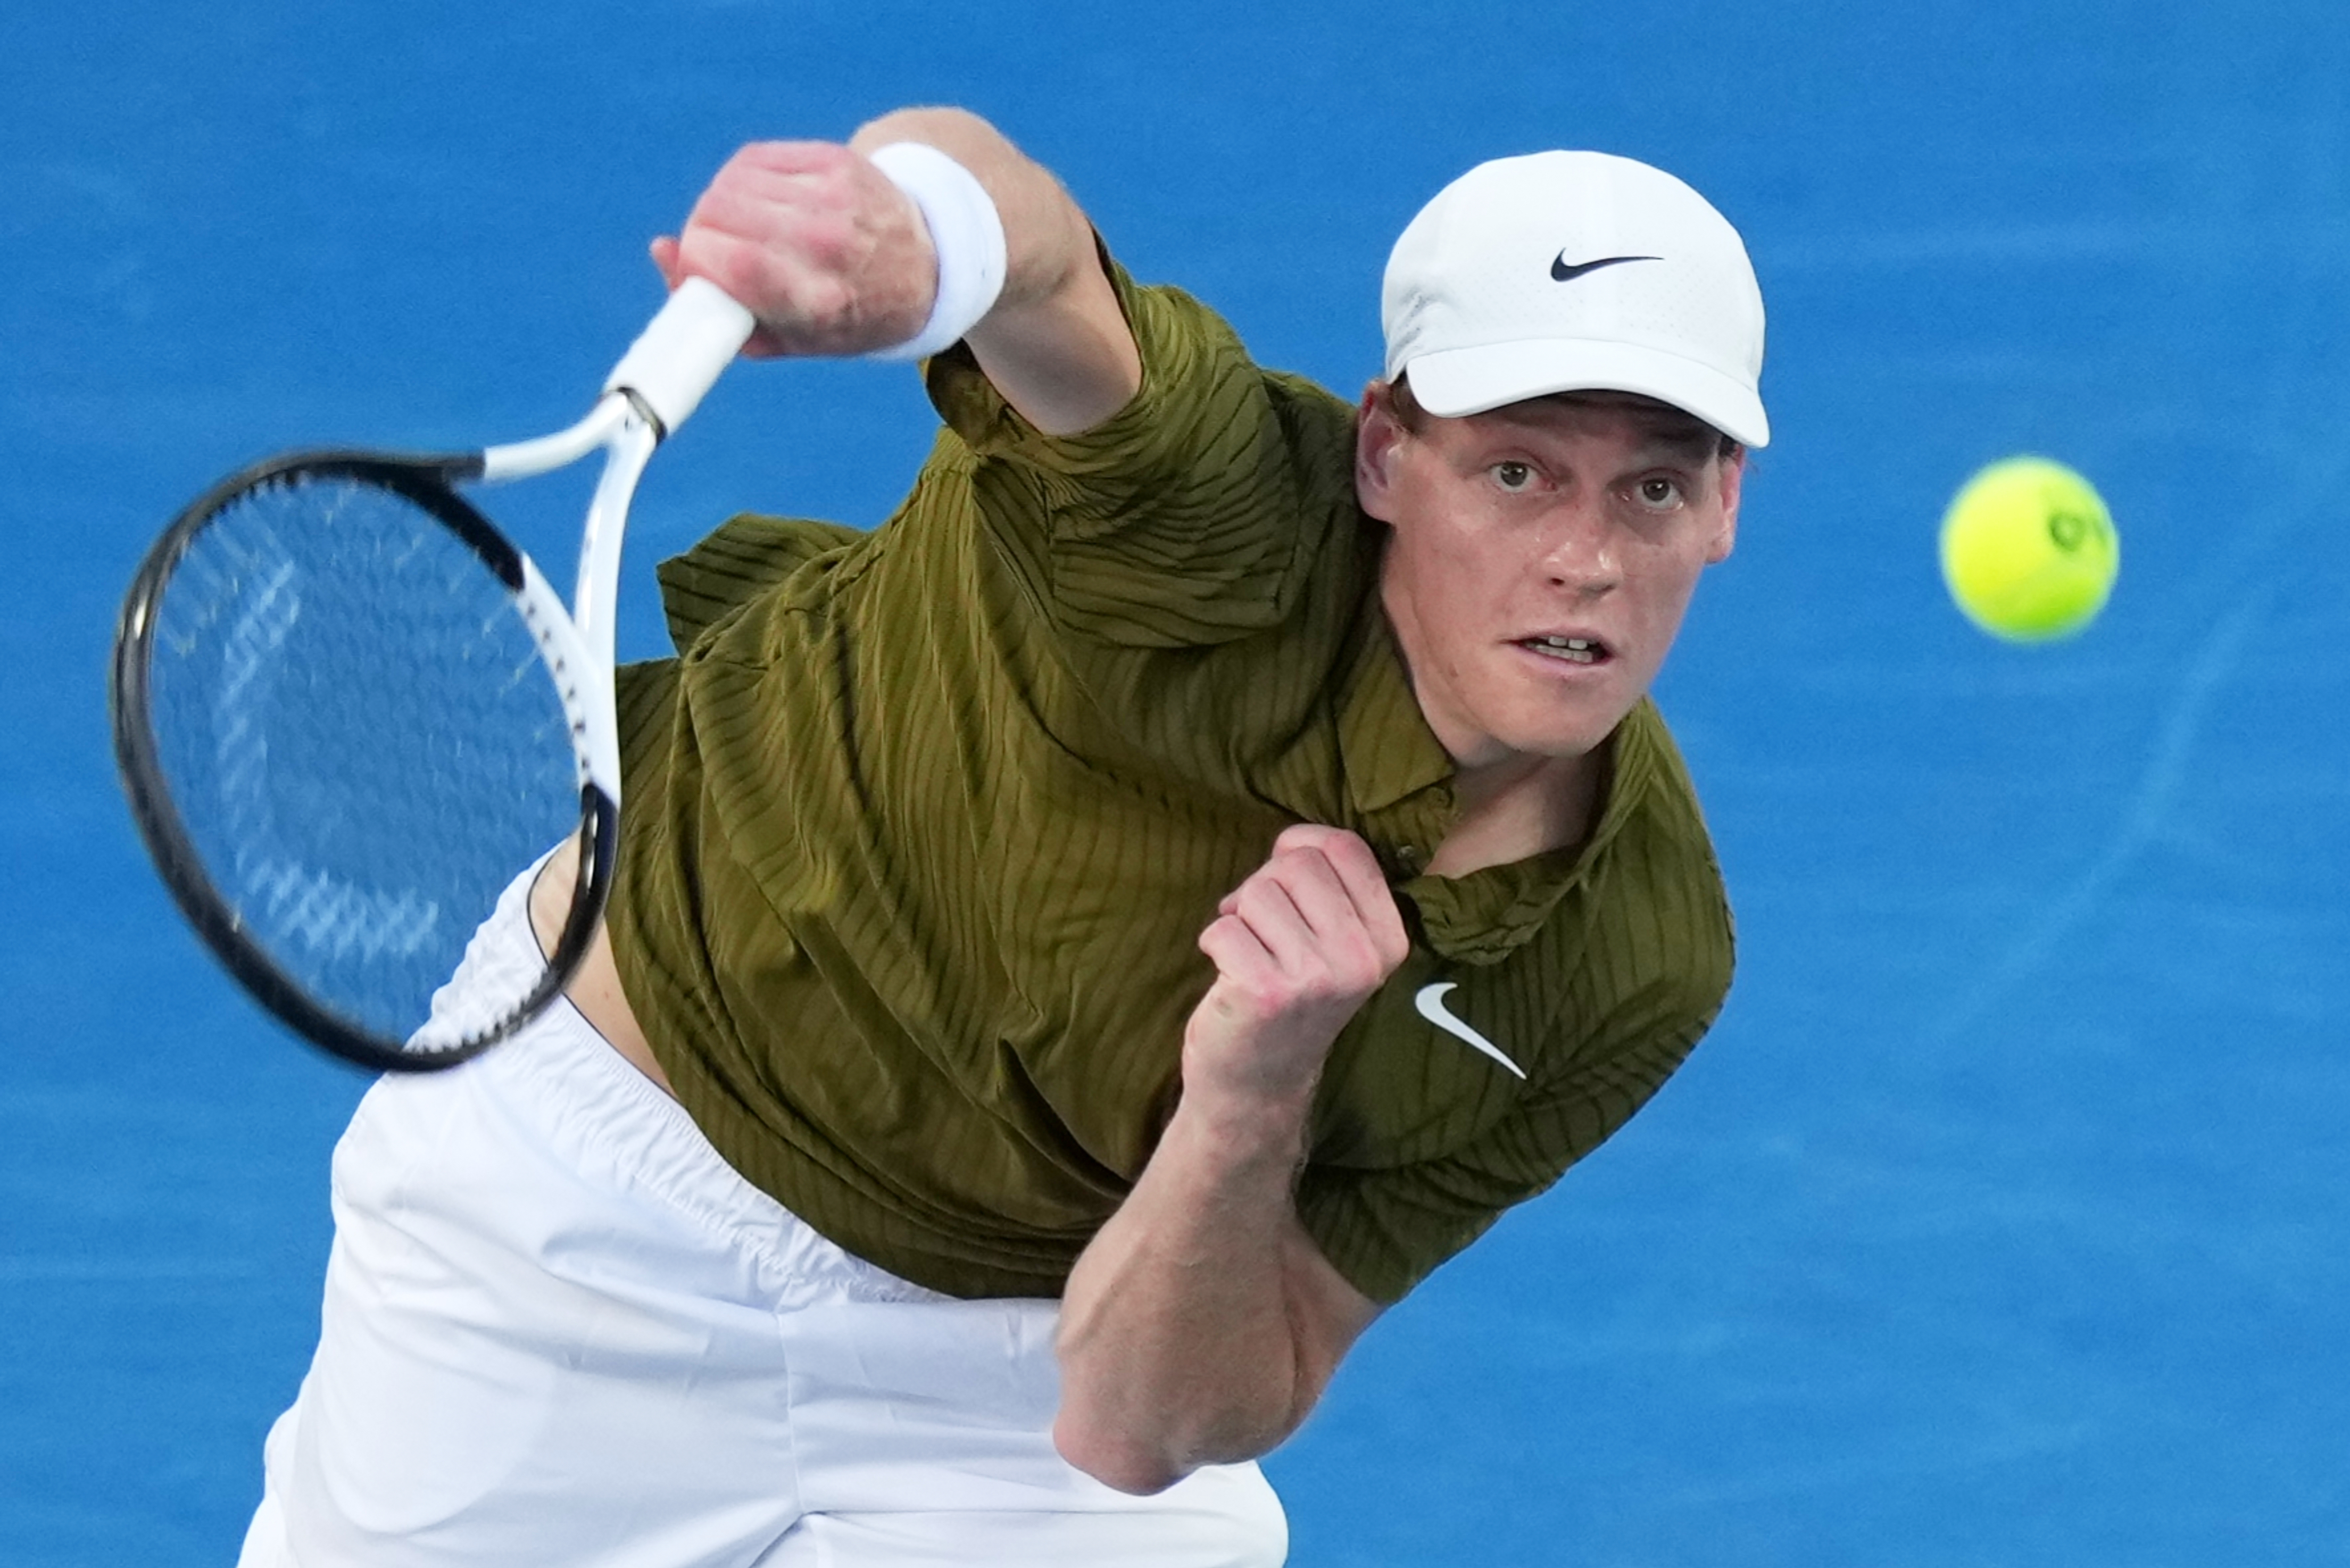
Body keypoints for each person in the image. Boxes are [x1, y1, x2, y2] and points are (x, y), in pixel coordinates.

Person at [237, 105, 1765, 1567]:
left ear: (1723, 512)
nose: (1584, 559)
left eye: (1651, 486)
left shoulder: (1631, 952)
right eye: (1516, 471)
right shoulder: (1206, 505)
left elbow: (1137, 1425)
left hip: (1017, 1347)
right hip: (577, 1210)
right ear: (1382, 456)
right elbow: (1032, 252)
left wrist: (1244, 1104)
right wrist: (920, 231)